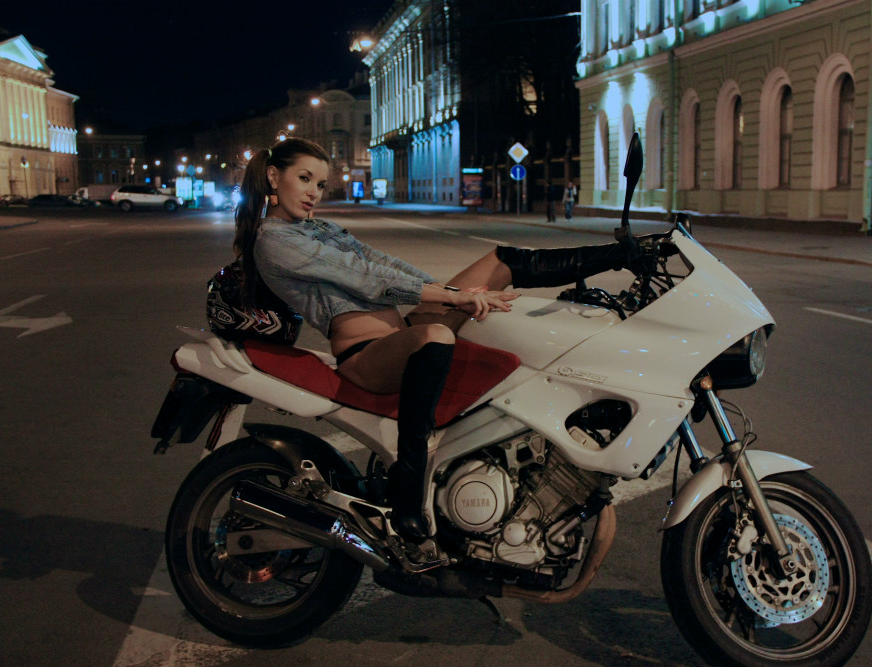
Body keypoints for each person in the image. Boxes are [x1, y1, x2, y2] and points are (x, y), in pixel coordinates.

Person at [234, 138, 633, 541]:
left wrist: (451, 290)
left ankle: (620, 255)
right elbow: (365, 277)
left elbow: (383, 263)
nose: (313, 193)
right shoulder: (275, 239)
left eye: (319, 184)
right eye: (304, 179)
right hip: (366, 355)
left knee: (499, 262)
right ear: (273, 176)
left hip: (398, 335)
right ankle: (408, 491)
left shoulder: (318, 228)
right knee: (436, 334)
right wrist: (453, 298)